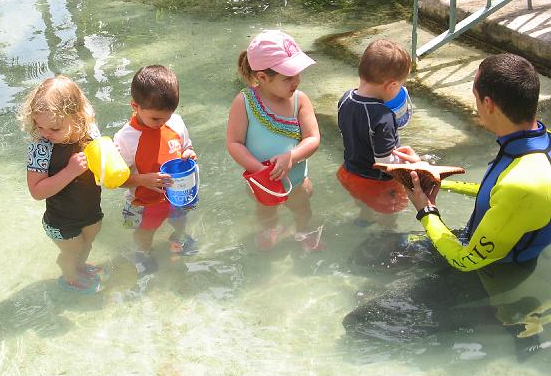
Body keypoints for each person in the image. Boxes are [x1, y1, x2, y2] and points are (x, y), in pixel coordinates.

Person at [407, 53, 551, 271]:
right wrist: (433, 177)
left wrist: (425, 210)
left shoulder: (522, 185)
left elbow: (465, 261)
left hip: (489, 275)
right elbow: (498, 194)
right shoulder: (538, 145)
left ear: (488, 103)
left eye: (475, 96)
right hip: (487, 248)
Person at [226, 30, 321, 251]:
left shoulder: (300, 100)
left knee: (303, 211)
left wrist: (291, 156)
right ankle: (269, 231)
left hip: (296, 182)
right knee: (266, 213)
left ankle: (303, 232)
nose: (296, 81)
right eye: (288, 78)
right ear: (262, 77)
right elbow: (234, 143)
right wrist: (259, 170)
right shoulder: (244, 102)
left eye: (297, 74)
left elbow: (313, 138)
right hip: (263, 184)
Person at [22, 75, 105, 294]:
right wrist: (70, 172)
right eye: (40, 126)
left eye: (55, 128)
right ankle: (69, 277)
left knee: (89, 239)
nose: (45, 133)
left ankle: (79, 266)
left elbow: (103, 164)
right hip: (60, 221)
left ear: (77, 117)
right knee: (73, 249)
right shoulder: (41, 148)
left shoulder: (90, 132)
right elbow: (36, 191)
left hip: (90, 211)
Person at [114, 65, 198, 275]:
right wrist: (142, 180)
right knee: (145, 232)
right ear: (135, 106)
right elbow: (116, 180)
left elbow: (186, 146)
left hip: (176, 195)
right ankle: (143, 253)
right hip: (143, 202)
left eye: (167, 117)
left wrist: (188, 153)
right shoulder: (125, 139)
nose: (162, 123)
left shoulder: (175, 123)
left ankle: (178, 237)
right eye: (155, 118)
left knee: (180, 219)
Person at [336, 39, 417, 229]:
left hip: (350, 173)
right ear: (392, 85)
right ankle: (387, 236)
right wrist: (407, 163)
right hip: (378, 183)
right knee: (390, 212)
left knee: (364, 202)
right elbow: (385, 163)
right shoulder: (383, 117)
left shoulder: (345, 98)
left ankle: (364, 219)